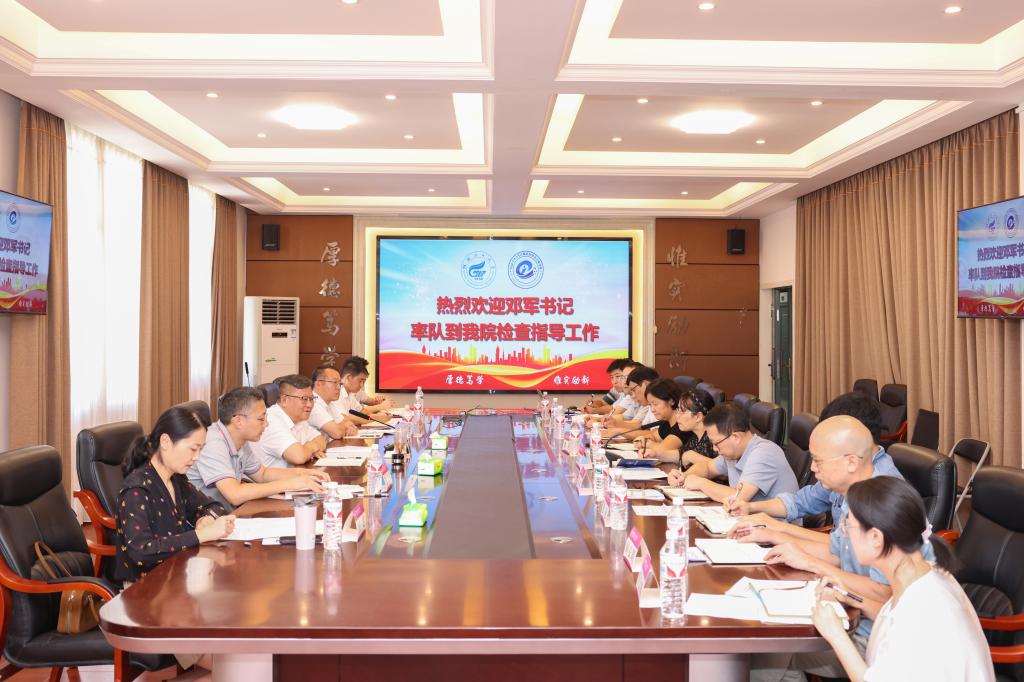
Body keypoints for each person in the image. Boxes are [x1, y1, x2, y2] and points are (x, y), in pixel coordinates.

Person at [735, 416, 924, 682]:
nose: (812, 468)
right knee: (766, 648)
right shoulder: (854, 489)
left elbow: (886, 594)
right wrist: (778, 538)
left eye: (818, 461)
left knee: (766, 654)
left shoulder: (883, 505)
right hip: (850, 612)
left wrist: (812, 564)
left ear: (851, 462)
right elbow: (837, 551)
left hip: (875, 636)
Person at [812, 476, 993, 681]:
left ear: (875, 537)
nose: (844, 533)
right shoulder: (922, 574)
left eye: (848, 525)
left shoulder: (923, 607)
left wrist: (835, 634)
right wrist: (852, 598)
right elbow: (892, 618)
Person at [115, 406, 236, 583]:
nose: (197, 457)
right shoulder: (136, 490)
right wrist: (202, 535)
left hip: (179, 574)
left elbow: (214, 506)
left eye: (200, 450)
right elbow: (141, 551)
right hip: (145, 587)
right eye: (193, 449)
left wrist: (206, 519)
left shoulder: (176, 479)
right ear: (165, 442)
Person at [187, 387, 330, 510]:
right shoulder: (212, 443)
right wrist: (290, 484)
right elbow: (235, 494)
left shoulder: (240, 439)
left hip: (228, 513)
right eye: (261, 419)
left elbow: (262, 474)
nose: (266, 424)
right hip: (205, 520)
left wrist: (301, 474)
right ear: (238, 420)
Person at [666, 401, 797, 503]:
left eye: (716, 443)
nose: (714, 449)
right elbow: (708, 467)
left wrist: (701, 483)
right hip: (748, 521)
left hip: (775, 526)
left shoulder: (763, 453)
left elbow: (739, 498)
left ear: (735, 437)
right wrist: (683, 477)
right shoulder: (734, 452)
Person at [258, 374, 327, 468]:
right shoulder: (271, 420)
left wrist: (307, 449)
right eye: (304, 399)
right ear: (284, 400)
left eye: (311, 399)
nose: (309, 405)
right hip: (273, 477)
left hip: (293, 474)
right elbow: (299, 457)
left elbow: (321, 440)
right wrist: (311, 449)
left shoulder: (299, 418)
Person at [638, 378, 686, 462]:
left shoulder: (683, 425)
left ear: (671, 401)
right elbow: (652, 437)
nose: (652, 409)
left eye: (655, 404)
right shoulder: (667, 422)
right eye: (650, 405)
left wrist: (647, 443)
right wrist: (646, 441)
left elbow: (662, 450)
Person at [603, 366, 659, 433]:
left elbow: (654, 434)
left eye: (634, 390)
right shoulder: (649, 405)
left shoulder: (660, 402)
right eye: (623, 377)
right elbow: (644, 428)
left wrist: (618, 430)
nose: (633, 396)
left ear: (645, 384)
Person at [309, 364, 359, 440]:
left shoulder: (329, 403)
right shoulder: (312, 404)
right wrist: (345, 427)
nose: (339, 387)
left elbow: (348, 423)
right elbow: (337, 433)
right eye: (335, 382)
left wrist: (348, 426)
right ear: (318, 384)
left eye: (340, 383)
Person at [675, 388, 717, 465]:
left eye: (682, 411)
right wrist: (656, 454)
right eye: (678, 409)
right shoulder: (696, 437)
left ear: (698, 416)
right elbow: (681, 454)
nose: (676, 416)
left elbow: (723, 469)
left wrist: (691, 457)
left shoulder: (713, 440)